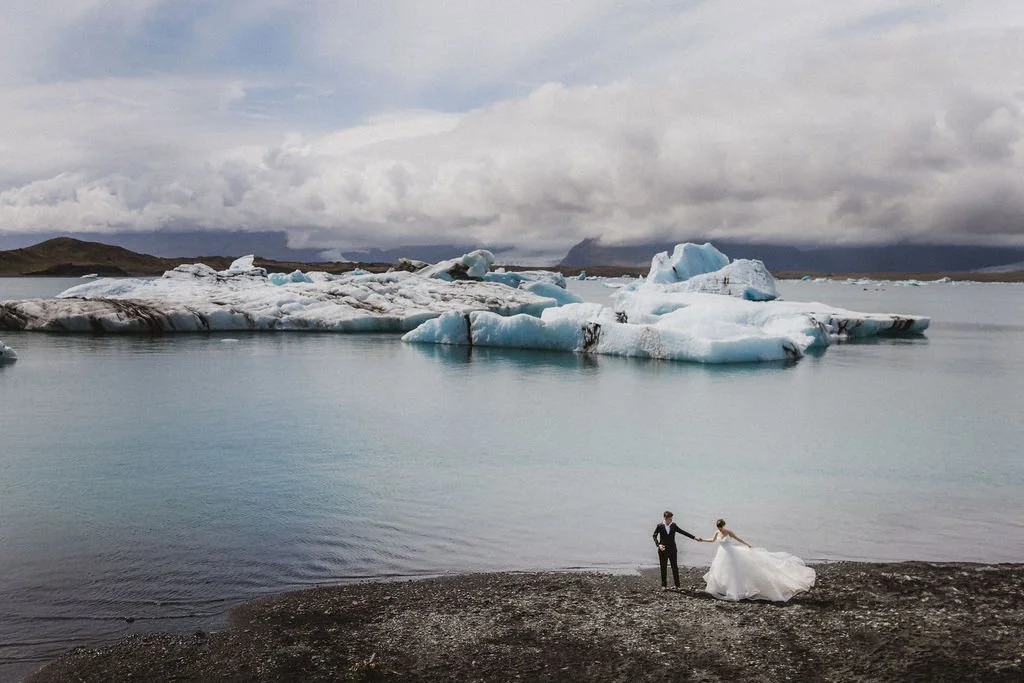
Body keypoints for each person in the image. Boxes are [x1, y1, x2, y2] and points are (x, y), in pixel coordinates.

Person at [697, 518, 815, 602]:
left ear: (724, 525)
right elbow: (712, 540)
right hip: (721, 553)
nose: (720, 529)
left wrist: (748, 544)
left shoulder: (728, 532)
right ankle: (723, 588)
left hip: (731, 553)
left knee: (734, 571)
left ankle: (737, 590)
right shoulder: (717, 532)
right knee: (721, 571)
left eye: (721, 527)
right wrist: (702, 540)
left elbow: (738, 539)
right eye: (719, 528)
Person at [652, 510, 703, 590]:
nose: (671, 520)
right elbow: (654, 536)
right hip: (663, 550)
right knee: (663, 567)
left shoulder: (674, 525)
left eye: (671, 518)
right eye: (670, 519)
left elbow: (683, 532)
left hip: (673, 550)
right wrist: (659, 545)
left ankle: (677, 586)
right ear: (665, 518)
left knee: (675, 567)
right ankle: (664, 586)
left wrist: (694, 537)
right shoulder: (660, 526)